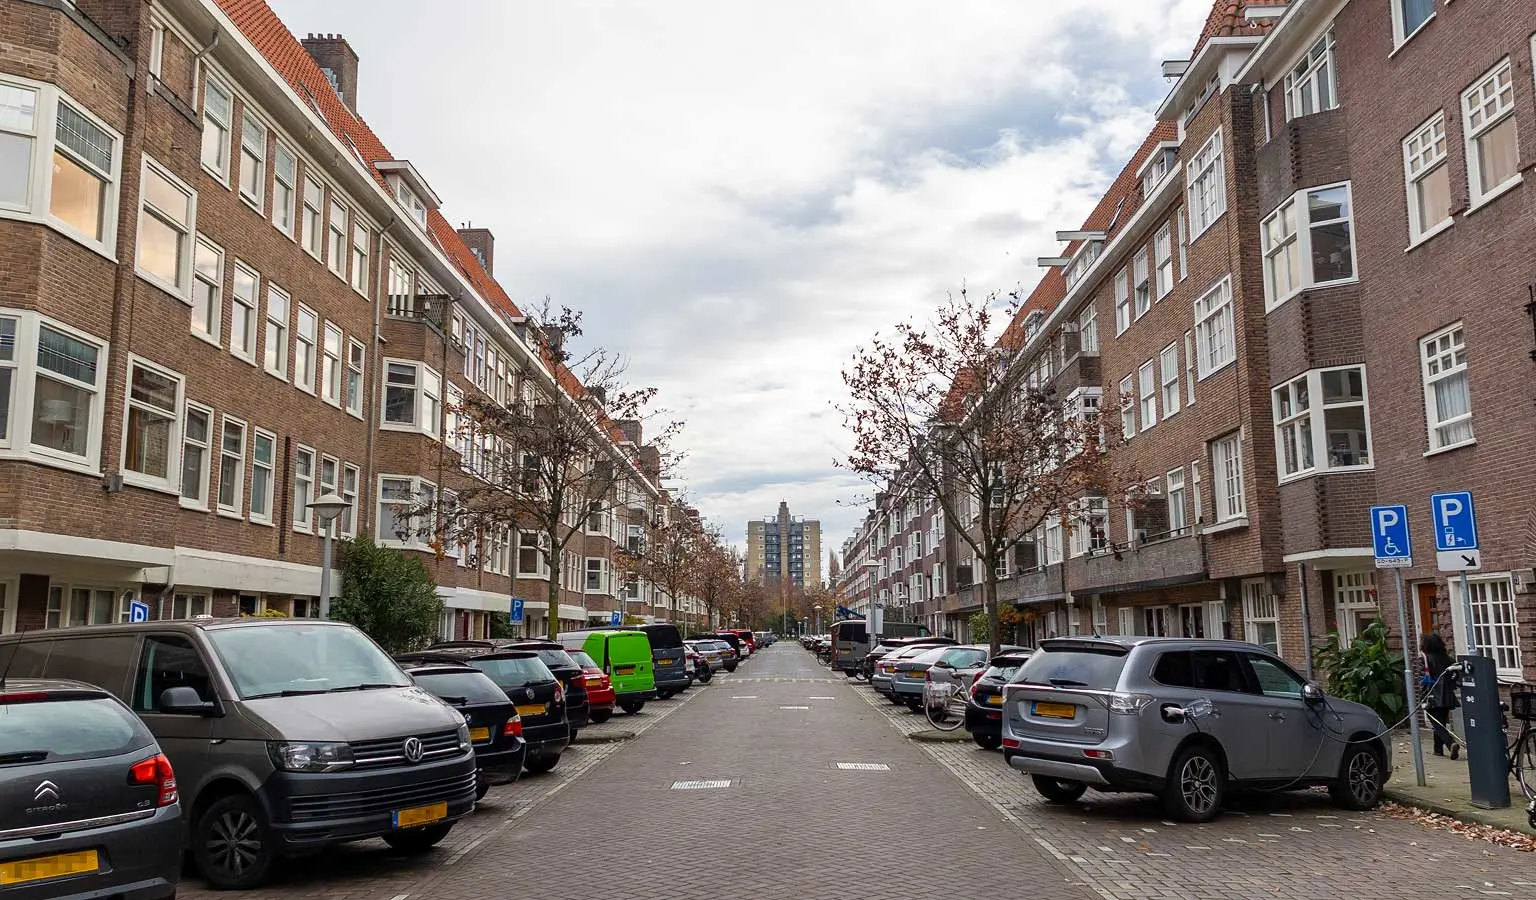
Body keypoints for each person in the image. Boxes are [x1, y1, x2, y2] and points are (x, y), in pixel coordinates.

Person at [1420, 632, 1461, 759]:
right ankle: (1438, 750)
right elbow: (1455, 673)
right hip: (1447, 695)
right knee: (1440, 722)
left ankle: (1450, 743)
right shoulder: (1446, 658)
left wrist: (1421, 697)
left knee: (1436, 723)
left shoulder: (1425, 658)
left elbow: (1423, 679)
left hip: (1433, 695)